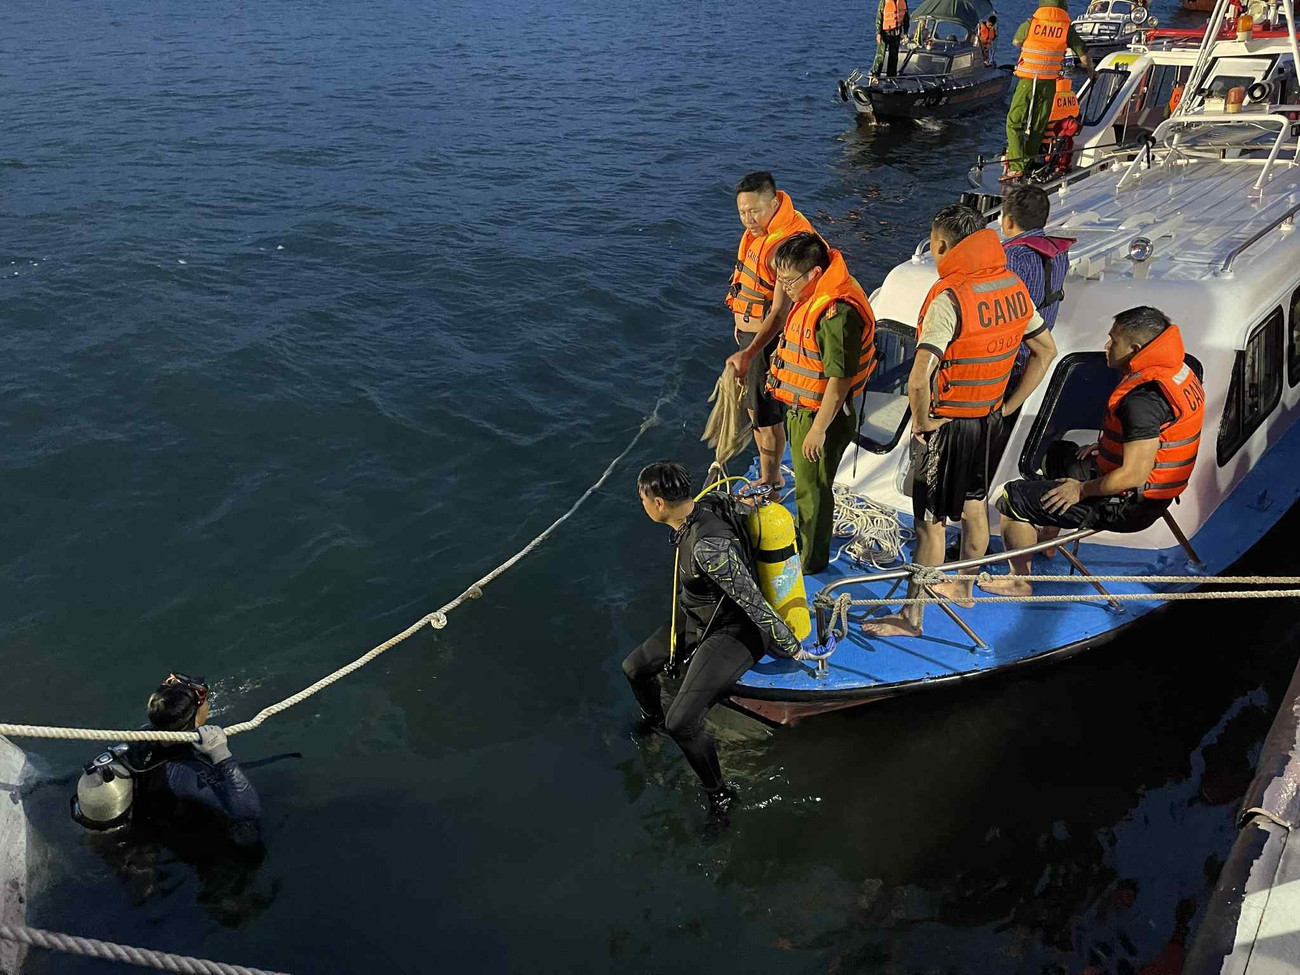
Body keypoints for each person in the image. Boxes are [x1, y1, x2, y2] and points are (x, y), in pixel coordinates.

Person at [862, 204, 1057, 638]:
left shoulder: (950, 298)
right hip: (989, 421)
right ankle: (964, 587)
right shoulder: (1013, 287)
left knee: (929, 525)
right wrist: (1009, 405)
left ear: (940, 244)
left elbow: (918, 378)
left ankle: (911, 618)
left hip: (948, 426)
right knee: (974, 508)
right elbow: (1046, 350)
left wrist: (921, 422)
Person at [622, 462, 800, 818]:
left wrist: (791, 645)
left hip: (735, 631)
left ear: (658, 504)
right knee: (635, 668)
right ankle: (652, 720)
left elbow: (753, 601)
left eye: (643, 499)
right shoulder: (708, 501)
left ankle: (720, 796)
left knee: (681, 723)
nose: (642, 505)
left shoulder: (709, 549)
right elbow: (729, 496)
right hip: (697, 618)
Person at [987, 307, 1204, 594]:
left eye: (1114, 341)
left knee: (1012, 498)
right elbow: (1161, 437)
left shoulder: (1142, 401)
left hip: (1129, 505)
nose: (1106, 346)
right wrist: (1107, 448)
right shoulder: (1175, 372)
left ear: (1135, 348)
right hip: (1144, 490)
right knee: (1058, 454)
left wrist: (1080, 490)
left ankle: (1019, 582)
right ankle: (1049, 540)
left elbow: (1133, 475)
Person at [764, 232, 877, 574]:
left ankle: (810, 561)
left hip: (819, 415)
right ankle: (807, 542)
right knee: (807, 484)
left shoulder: (836, 313)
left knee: (812, 490)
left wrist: (818, 429)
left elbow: (839, 381)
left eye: (789, 280)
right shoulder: (816, 294)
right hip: (803, 409)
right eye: (780, 279)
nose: (784, 288)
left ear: (814, 273)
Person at [72, 673, 263, 847]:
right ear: (195, 715)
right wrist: (222, 756)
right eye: (204, 701)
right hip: (169, 836)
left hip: (142, 820)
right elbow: (249, 812)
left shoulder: (142, 738)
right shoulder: (186, 773)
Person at [724, 172, 817, 489]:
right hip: (750, 336)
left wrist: (750, 352)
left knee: (765, 416)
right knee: (755, 412)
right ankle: (770, 475)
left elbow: (779, 313)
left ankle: (771, 481)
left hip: (765, 341)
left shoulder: (786, 245)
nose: (748, 220)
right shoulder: (760, 232)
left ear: (774, 204)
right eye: (742, 212)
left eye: (755, 211)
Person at [1005, 0, 1095, 181]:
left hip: (1029, 80)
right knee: (1038, 125)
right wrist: (1091, 73)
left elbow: (1016, 41)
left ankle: (1016, 167)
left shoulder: (1032, 22)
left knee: (1014, 122)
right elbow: (1084, 57)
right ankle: (1028, 161)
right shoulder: (1066, 28)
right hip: (1049, 82)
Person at [1001, 184, 1073, 389]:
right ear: (1045, 219)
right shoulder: (1059, 253)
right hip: (1035, 357)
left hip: (1011, 362)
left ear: (1008, 221)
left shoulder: (1012, 256)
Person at [871, 0, 911, 79]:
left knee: (894, 55)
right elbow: (879, 16)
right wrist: (878, 33)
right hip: (885, 32)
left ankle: (891, 76)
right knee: (880, 54)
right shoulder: (884, 1)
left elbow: (906, 16)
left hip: (896, 32)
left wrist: (906, 32)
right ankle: (875, 75)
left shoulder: (903, 1)